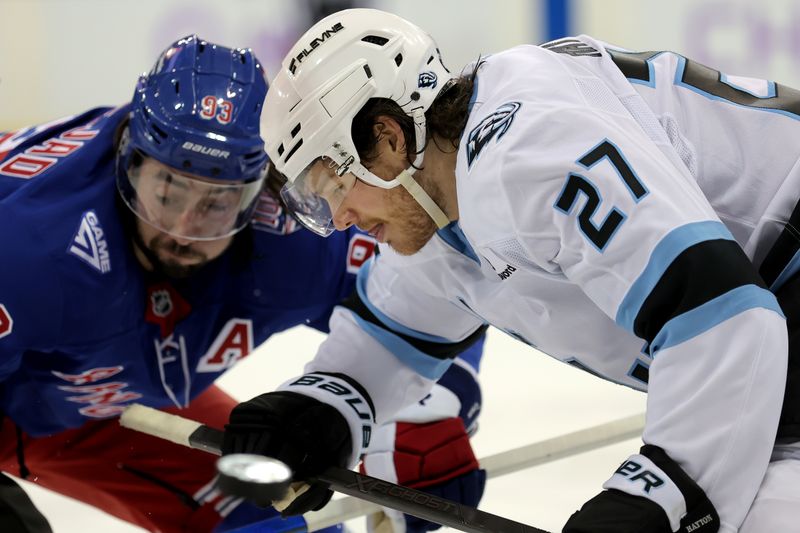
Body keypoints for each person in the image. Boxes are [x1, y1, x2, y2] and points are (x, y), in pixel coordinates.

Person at [219, 7, 800, 533]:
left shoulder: (530, 148)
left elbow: (723, 317)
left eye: (332, 185)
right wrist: (314, 415)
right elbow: (388, 336)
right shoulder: (437, 196)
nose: (340, 218)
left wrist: (661, 497)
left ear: (388, 138)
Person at [0, 34, 487, 533]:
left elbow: (436, 281)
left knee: (279, 518)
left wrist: (433, 402)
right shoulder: (31, 248)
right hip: (18, 399)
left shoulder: (296, 232)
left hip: (102, 391)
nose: (185, 229)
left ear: (259, 193)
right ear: (129, 161)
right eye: (168, 192)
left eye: (217, 204)